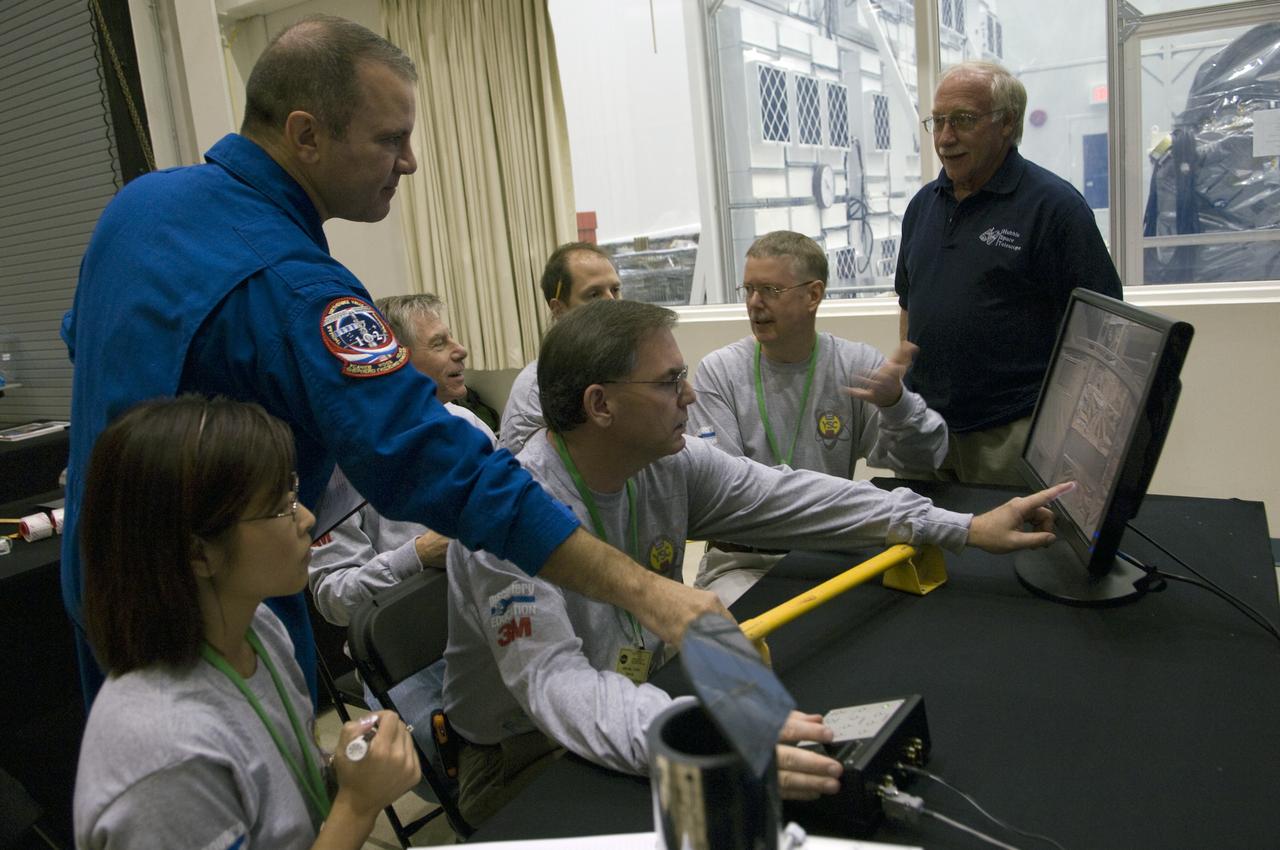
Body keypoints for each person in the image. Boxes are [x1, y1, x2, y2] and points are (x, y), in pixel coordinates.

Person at [60, 15, 724, 705]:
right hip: (211, 620)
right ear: (305, 134)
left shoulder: (136, 207)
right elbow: (442, 467)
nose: (408, 162)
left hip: (102, 587)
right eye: (390, 140)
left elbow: (82, 338)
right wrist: (647, 592)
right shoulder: (297, 285)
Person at [442, 299, 1072, 825]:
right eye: (669, 382)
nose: (691, 394)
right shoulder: (505, 520)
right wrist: (714, 737)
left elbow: (796, 497)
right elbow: (558, 686)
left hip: (640, 697)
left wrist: (962, 526)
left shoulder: (668, 462)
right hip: (524, 755)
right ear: (600, 405)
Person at [73, 395, 420, 850]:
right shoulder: (165, 755)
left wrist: (345, 768)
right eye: (280, 508)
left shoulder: (257, 629)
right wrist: (357, 807)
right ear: (199, 553)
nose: (307, 519)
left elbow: (282, 796)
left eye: (295, 495)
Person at [895, 60, 1123, 486]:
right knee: (924, 549)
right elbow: (909, 304)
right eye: (938, 121)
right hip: (924, 429)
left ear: (1007, 123)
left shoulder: (1055, 208)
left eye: (963, 120)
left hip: (1009, 433)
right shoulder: (923, 206)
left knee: (1009, 550)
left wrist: (1068, 434)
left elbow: (1101, 329)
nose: (945, 138)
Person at [690, 230, 947, 603]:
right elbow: (727, 495)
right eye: (748, 289)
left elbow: (926, 458)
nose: (754, 303)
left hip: (833, 552)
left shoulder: (855, 364)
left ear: (813, 295)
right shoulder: (720, 372)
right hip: (742, 561)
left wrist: (897, 405)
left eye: (770, 291)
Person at [309, 294, 491, 776]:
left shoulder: (468, 426)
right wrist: (419, 555)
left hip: (487, 621)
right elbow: (333, 599)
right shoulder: (338, 468)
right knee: (474, 765)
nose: (461, 350)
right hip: (412, 654)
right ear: (395, 363)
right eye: (440, 343)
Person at [499, 241, 622, 454]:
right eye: (594, 294)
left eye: (615, 290)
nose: (612, 303)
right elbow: (526, 478)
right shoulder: (536, 391)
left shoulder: (631, 364)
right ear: (559, 309)